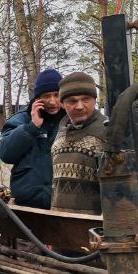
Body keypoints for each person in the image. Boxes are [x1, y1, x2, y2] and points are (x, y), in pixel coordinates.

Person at [0, 68, 63, 208]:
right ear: (37, 98)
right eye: (46, 95)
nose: (52, 101)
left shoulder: (69, 121)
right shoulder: (21, 120)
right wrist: (32, 127)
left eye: (57, 95)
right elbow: (5, 154)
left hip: (62, 203)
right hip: (27, 204)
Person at [50, 72, 108, 214]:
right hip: (62, 224)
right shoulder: (60, 133)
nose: (79, 106)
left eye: (85, 99)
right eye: (72, 101)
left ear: (95, 100)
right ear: (62, 104)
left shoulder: (107, 132)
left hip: (95, 228)